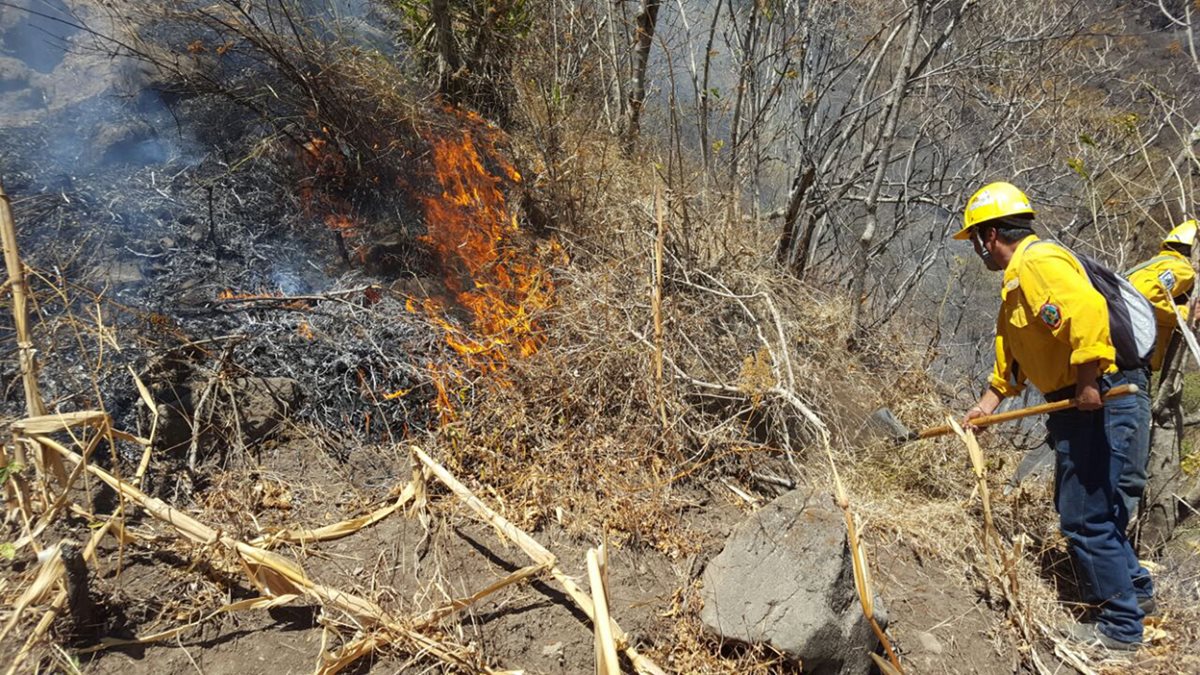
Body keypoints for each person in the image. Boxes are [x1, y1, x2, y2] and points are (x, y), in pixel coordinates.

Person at [955, 181, 1151, 650]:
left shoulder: (1039, 261)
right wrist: (987, 404)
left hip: (1102, 396)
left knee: (1085, 518)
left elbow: (1087, 311)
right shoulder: (1016, 284)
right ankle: (1139, 596)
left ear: (989, 235)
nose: (977, 251)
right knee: (1092, 508)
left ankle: (1121, 630)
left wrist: (1087, 381)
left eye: (976, 240)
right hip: (1079, 404)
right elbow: (1012, 355)